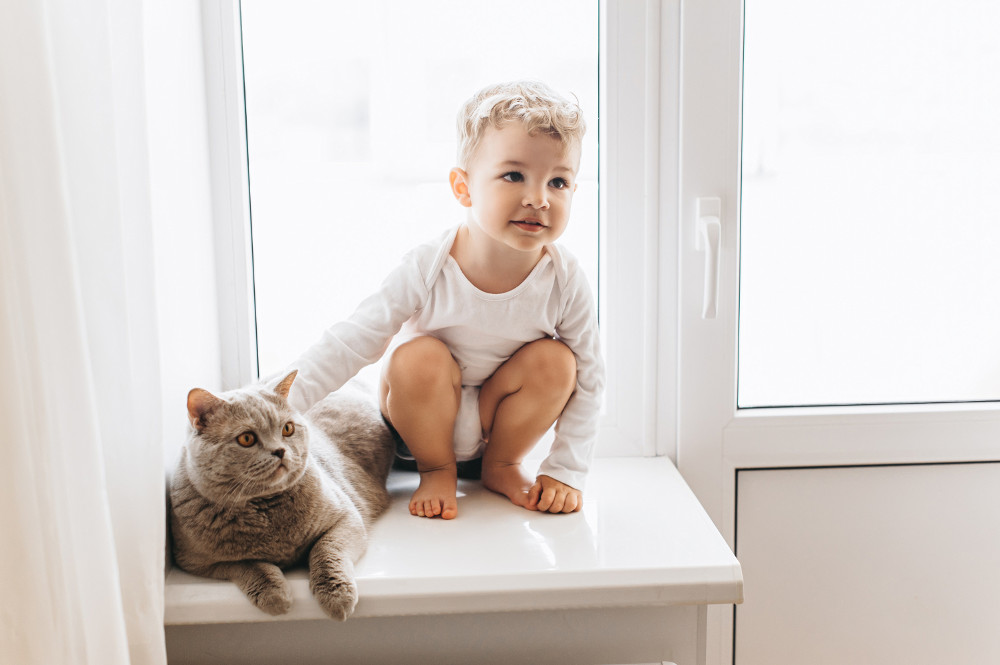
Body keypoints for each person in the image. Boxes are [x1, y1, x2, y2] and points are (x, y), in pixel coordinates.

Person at [288, 80, 605, 519]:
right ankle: (437, 470)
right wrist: (277, 402)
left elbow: (591, 378)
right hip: (421, 425)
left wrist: (566, 469)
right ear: (464, 188)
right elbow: (353, 338)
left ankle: (502, 466)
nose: (538, 199)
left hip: (499, 424)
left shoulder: (564, 277)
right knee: (416, 356)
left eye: (558, 182)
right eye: (514, 175)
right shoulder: (428, 265)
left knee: (560, 362)